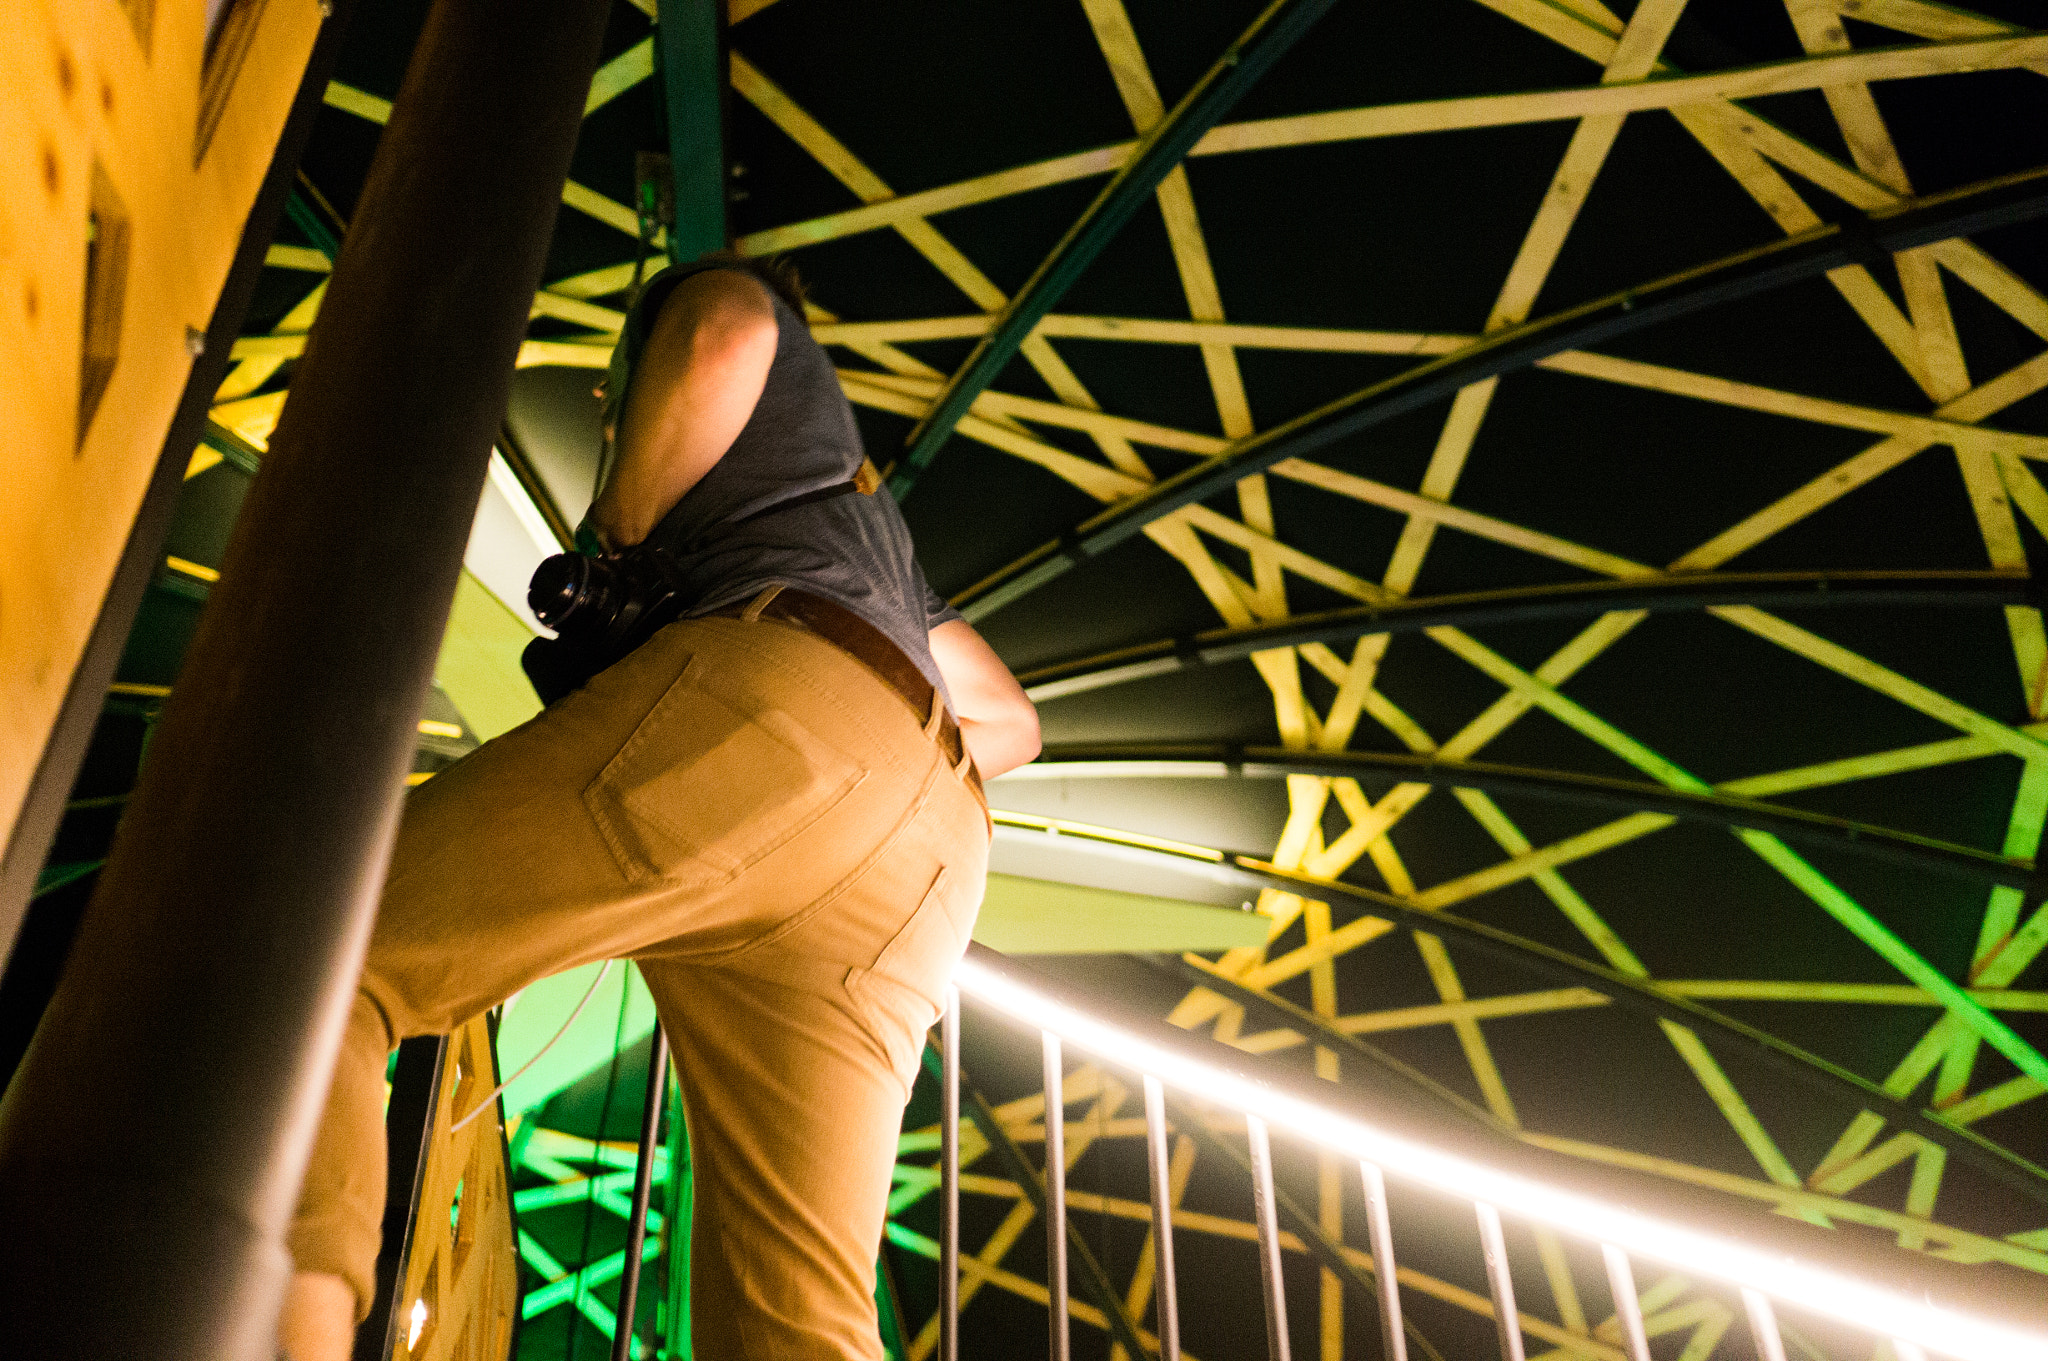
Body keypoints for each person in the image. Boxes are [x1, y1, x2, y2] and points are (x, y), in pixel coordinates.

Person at [279, 254, 1039, 1360]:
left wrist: (620, 535)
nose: (602, 401)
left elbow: (725, 328)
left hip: (777, 708)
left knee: (318, 948)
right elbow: (1009, 724)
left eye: (610, 380)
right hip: (931, 850)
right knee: (793, 1321)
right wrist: (852, 755)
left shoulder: (719, 302)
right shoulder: (871, 531)